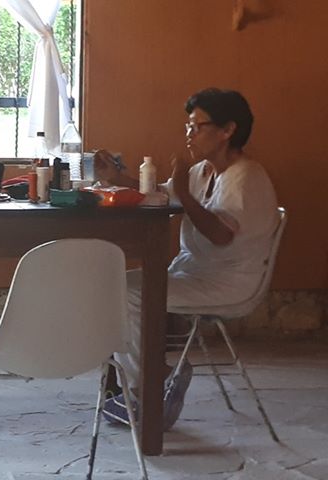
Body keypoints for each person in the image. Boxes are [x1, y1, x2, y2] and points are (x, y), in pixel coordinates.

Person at [94, 88, 278, 430]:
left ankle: (148, 389)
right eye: (187, 127)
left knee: (128, 293)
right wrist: (116, 179)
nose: (189, 134)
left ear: (227, 130)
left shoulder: (246, 177)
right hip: (193, 271)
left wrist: (185, 194)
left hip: (226, 282)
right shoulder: (204, 170)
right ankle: (151, 379)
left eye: (197, 126)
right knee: (115, 285)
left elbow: (221, 234)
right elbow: (162, 195)